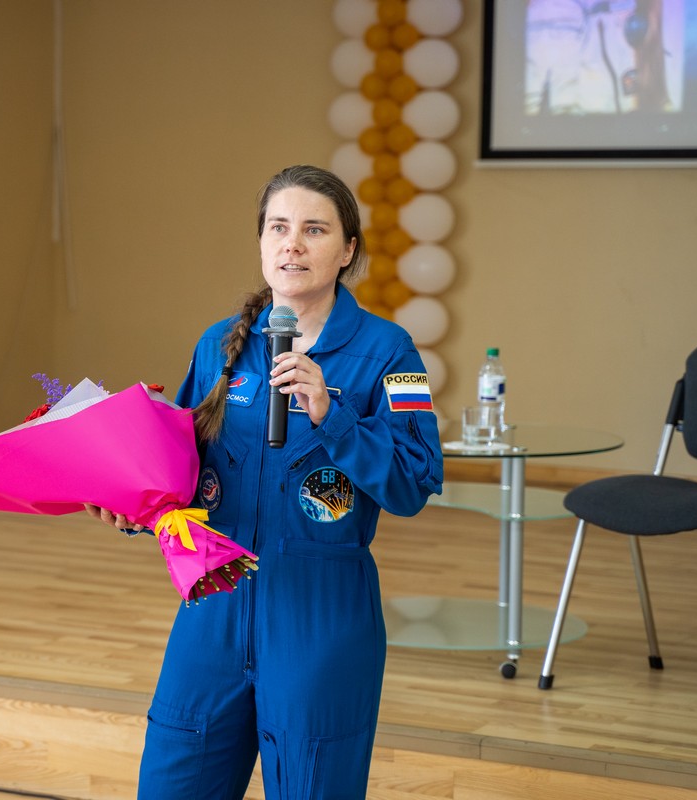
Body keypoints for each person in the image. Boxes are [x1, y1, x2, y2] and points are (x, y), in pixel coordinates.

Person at [86, 164, 443, 799]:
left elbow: (415, 481)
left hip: (320, 615)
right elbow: (180, 473)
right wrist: (134, 507)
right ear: (260, 242)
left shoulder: (393, 352)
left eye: (314, 230)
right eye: (278, 227)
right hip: (212, 606)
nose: (292, 245)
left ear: (348, 250)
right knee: (172, 782)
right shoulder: (218, 345)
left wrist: (333, 417)